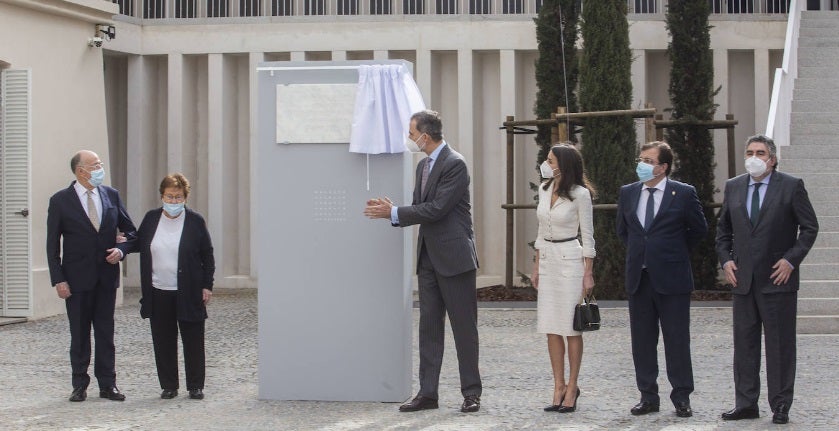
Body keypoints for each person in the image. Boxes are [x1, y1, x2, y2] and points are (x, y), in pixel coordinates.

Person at [364, 110, 482, 413]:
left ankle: (471, 393)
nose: (409, 138)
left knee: (464, 329)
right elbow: (421, 207)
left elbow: (437, 209)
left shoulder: (455, 163)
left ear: (425, 136)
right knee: (429, 329)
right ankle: (428, 394)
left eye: (412, 133)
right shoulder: (423, 166)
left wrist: (394, 213)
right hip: (428, 258)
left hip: (455, 260)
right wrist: (395, 211)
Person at [716, 135, 818, 425]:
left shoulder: (791, 186)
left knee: (779, 346)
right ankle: (746, 403)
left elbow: (809, 228)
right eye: (749, 152)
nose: (754, 157)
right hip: (743, 280)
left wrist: (790, 260)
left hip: (777, 279)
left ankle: (781, 404)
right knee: (744, 345)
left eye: (760, 153)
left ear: (772, 159)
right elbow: (723, 231)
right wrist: (726, 260)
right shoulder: (734, 186)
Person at [616, 141, 707, 418]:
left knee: (677, 340)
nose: (642, 164)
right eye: (641, 159)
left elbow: (698, 230)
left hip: (672, 278)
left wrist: (671, 253)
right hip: (639, 277)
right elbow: (624, 231)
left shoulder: (683, 193)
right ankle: (647, 396)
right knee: (642, 341)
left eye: (649, 160)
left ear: (663, 167)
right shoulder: (628, 193)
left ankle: (681, 396)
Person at [46, 150, 137, 402]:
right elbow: (52, 245)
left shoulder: (111, 195)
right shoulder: (60, 200)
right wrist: (58, 279)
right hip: (76, 279)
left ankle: (108, 384)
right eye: (95, 165)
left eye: (100, 164)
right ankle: (79, 384)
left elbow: (131, 232)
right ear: (80, 171)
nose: (99, 169)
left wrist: (121, 250)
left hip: (106, 277)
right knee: (79, 334)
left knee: (105, 333)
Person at [135, 173, 215, 400]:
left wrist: (207, 285)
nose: (173, 201)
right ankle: (169, 385)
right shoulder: (151, 219)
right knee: (163, 340)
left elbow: (207, 255)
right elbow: (138, 242)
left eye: (178, 197)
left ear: (185, 197)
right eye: (169, 196)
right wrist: (121, 244)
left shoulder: (195, 221)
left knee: (193, 339)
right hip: (158, 290)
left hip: (188, 290)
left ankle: (195, 385)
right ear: (162, 196)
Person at [530, 144, 596, 413]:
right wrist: (536, 266)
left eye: (550, 160)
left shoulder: (581, 194)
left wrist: (588, 273)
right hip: (547, 259)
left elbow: (588, 236)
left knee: (571, 327)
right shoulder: (544, 189)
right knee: (551, 326)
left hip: (570, 260)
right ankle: (558, 385)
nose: (546, 164)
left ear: (564, 165)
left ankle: (572, 386)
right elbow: (540, 230)